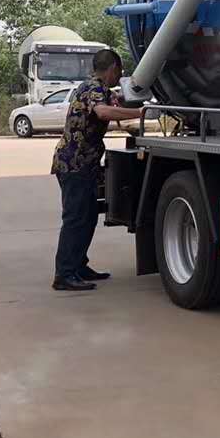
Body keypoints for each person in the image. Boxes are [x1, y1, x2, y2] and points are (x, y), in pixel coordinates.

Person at [52, 48, 143, 291]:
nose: (119, 76)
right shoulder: (94, 88)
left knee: (88, 216)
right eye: (119, 72)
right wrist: (140, 113)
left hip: (85, 164)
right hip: (75, 164)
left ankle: (78, 265)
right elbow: (103, 112)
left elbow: (112, 108)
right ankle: (64, 274)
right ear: (112, 69)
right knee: (76, 218)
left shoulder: (96, 89)